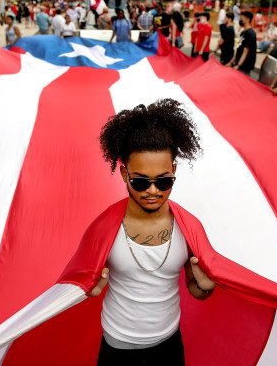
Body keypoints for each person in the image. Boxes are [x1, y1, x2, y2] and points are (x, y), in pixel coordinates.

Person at [73, 99, 214, 365]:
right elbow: (77, 281)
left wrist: (206, 288)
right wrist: (89, 290)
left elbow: (196, 289)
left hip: (169, 345)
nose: (153, 191)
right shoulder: (103, 228)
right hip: (117, 348)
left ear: (173, 171)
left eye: (163, 181)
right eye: (141, 181)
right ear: (125, 174)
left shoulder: (190, 227)